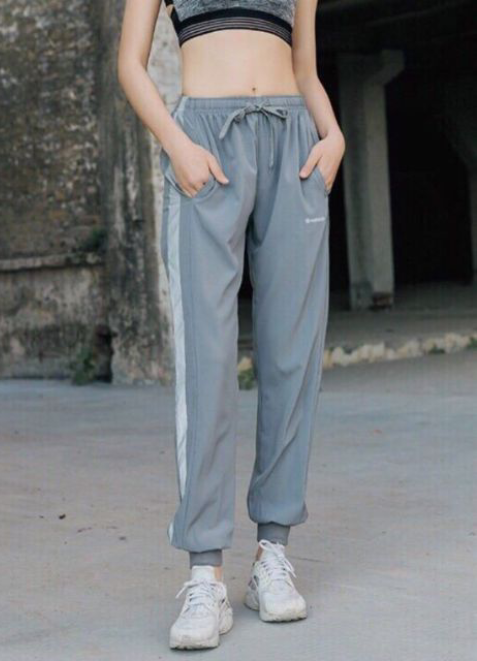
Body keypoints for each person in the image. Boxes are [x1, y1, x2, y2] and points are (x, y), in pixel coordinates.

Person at [118, 0, 345, 650]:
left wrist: (333, 135)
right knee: (208, 361)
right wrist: (176, 143)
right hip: (203, 146)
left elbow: (304, 66)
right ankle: (205, 574)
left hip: (295, 145)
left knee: (291, 353)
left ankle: (273, 552)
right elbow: (129, 64)